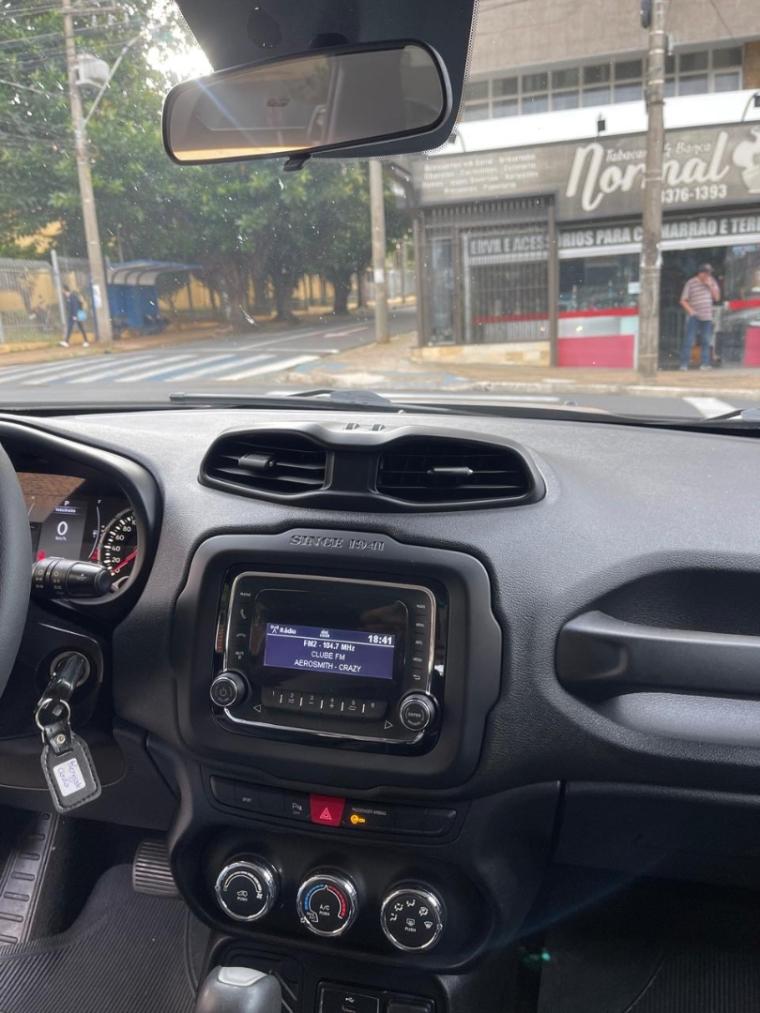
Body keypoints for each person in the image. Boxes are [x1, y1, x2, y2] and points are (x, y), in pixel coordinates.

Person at [679, 264, 720, 370]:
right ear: (700, 273)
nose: (708, 275)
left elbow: (716, 298)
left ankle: (705, 364)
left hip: (707, 316)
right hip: (695, 316)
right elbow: (683, 300)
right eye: (706, 273)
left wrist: (710, 286)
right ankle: (684, 364)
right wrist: (691, 311)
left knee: (706, 340)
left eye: (709, 273)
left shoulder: (712, 281)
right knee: (689, 340)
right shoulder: (691, 283)